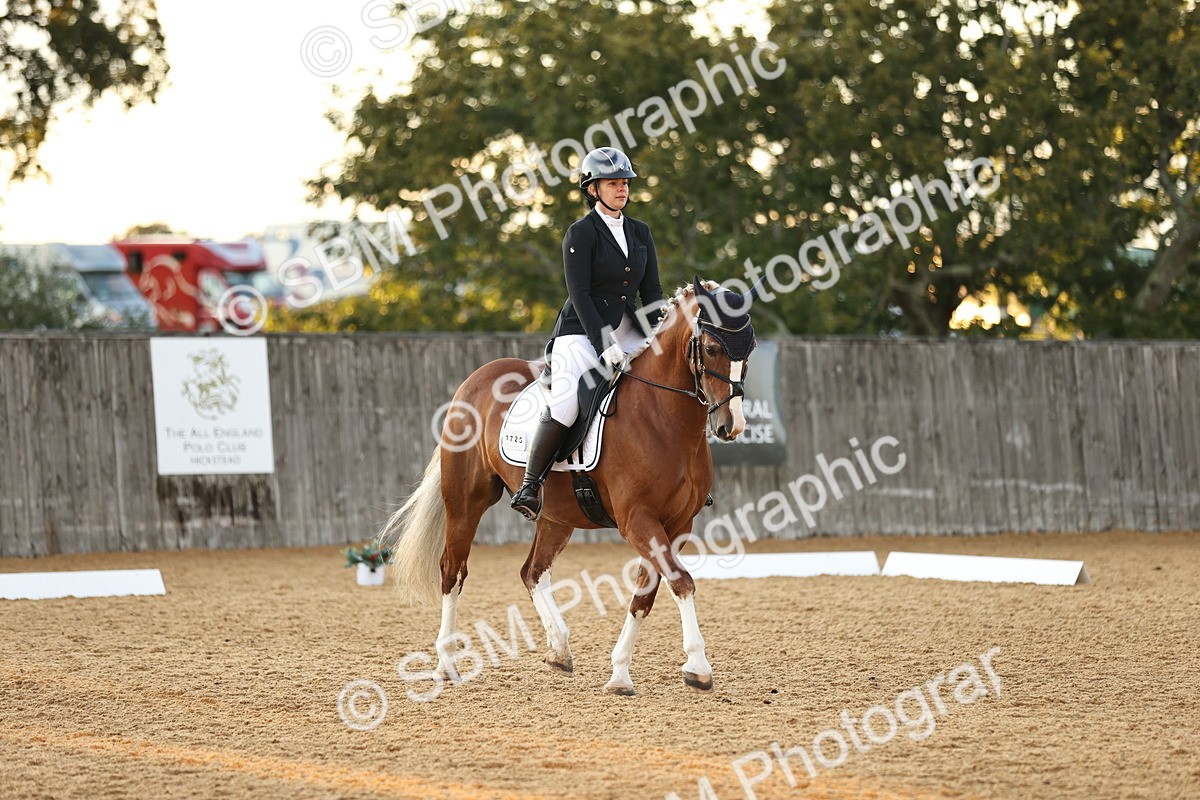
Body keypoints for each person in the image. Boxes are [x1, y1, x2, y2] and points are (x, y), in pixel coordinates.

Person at [510, 146, 666, 521]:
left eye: (624, 183)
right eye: (612, 183)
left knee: (666, 383)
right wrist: (603, 343)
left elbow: (653, 292)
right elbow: (579, 294)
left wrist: (657, 330)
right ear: (593, 189)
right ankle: (530, 485)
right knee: (566, 403)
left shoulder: (641, 231)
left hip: (629, 325)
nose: (621, 190)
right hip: (580, 330)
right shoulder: (580, 233)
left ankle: (678, 478)